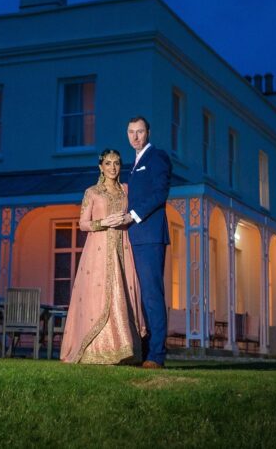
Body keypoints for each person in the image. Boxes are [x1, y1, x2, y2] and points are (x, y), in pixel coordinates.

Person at [59, 149, 145, 364]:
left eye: (116, 163)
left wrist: (126, 219)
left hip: (122, 247)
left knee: (122, 292)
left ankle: (125, 350)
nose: (113, 167)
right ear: (101, 167)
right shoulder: (92, 192)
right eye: (108, 163)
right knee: (100, 295)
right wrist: (103, 223)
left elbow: (135, 213)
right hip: (97, 251)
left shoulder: (126, 190)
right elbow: (83, 224)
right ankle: (95, 350)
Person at [114, 116, 172, 369]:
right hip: (135, 237)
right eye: (130, 132)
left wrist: (133, 215)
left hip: (149, 236)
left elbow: (160, 193)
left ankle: (157, 355)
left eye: (139, 131)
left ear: (148, 132)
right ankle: (145, 351)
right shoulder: (133, 164)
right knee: (140, 297)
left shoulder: (157, 157)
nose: (135, 137)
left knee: (152, 296)